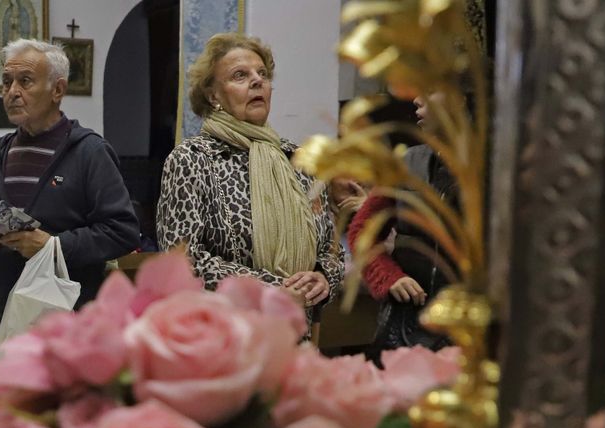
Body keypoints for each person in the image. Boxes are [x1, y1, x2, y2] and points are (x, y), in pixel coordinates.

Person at [156, 32, 343, 313]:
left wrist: (323, 277)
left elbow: (329, 248)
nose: (257, 81)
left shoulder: (299, 161)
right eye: (240, 76)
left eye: (263, 74)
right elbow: (182, 260)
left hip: (292, 334)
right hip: (224, 334)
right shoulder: (192, 159)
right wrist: (269, 289)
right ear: (213, 95)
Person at [0, 39, 139, 343]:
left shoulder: (90, 152)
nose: (11, 93)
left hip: (70, 318)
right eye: (7, 82)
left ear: (58, 90)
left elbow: (123, 231)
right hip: (8, 314)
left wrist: (53, 246)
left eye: (25, 82)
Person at [345, 91, 454, 351]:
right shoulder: (405, 163)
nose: (417, 99)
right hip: (408, 327)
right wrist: (388, 277)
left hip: (471, 328)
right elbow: (362, 232)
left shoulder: (495, 167)